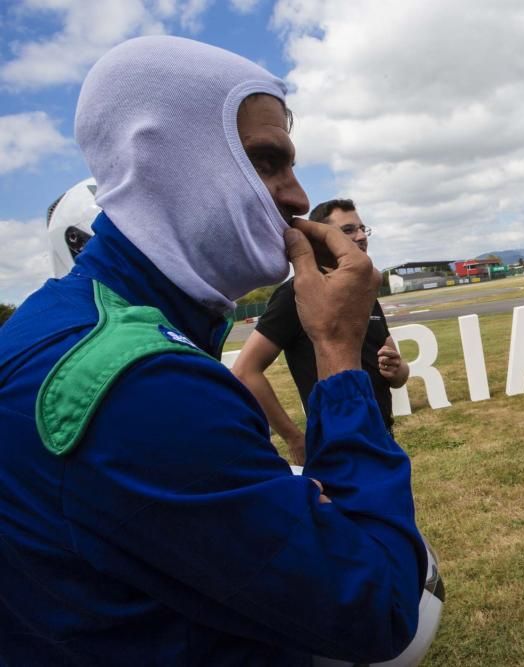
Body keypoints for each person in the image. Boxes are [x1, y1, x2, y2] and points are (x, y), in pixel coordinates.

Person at [0, 36, 426, 665]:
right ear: (162, 160)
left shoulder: (54, 324)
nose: (298, 196)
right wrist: (338, 349)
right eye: (266, 161)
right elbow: (380, 607)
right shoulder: (145, 388)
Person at [233, 198, 409, 465]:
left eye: (363, 228)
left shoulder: (362, 290)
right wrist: (294, 438)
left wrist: (398, 370)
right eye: (348, 230)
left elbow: (398, 375)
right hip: (336, 449)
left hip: (382, 438)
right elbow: (245, 371)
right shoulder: (297, 293)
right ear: (321, 238)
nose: (361, 236)